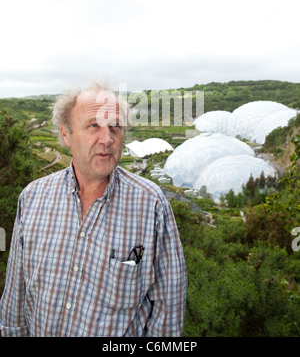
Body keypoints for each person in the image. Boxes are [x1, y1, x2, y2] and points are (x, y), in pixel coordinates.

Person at [0, 82, 187, 337]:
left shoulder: (151, 205)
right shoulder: (33, 197)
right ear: (66, 134)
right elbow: (15, 298)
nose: (107, 139)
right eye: (93, 126)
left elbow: (168, 309)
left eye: (115, 127)